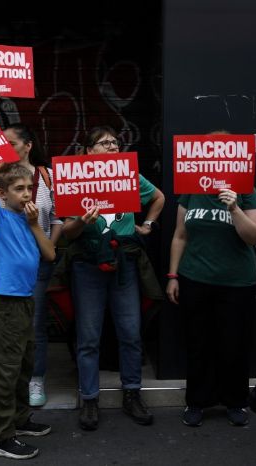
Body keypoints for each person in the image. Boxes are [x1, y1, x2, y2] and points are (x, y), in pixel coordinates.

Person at [62, 125, 165, 430]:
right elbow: (67, 232)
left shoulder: (128, 175)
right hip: (88, 265)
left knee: (130, 332)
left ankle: (132, 394)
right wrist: (81, 221)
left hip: (124, 264)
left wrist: (147, 224)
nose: (111, 147)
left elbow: (158, 197)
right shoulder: (75, 177)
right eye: (103, 143)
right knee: (89, 337)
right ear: (87, 151)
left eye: (115, 143)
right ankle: (90, 398)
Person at [165, 131, 256, 427]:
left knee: (233, 344)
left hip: (237, 282)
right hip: (195, 278)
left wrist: (234, 208)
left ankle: (235, 402)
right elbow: (180, 235)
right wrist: (172, 275)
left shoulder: (247, 190)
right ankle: (197, 402)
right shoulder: (190, 191)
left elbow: (254, 236)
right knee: (198, 343)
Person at [0, 92, 63, 407]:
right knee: (7, 326)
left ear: (27, 146)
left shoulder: (46, 176)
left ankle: (35, 380)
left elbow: (56, 218)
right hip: (4, 261)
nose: (2, 147)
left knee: (35, 323)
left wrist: (48, 248)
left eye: (10, 143)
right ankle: (8, 387)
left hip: (39, 260)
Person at [0, 162, 56, 460]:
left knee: (24, 363)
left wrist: (35, 225)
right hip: (6, 302)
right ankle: (0, 436)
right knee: (5, 370)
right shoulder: (0, 216)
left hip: (24, 300)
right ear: (2, 194)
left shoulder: (28, 220)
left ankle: (20, 420)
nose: (25, 194)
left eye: (29, 189)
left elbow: (50, 254)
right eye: (18, 189)